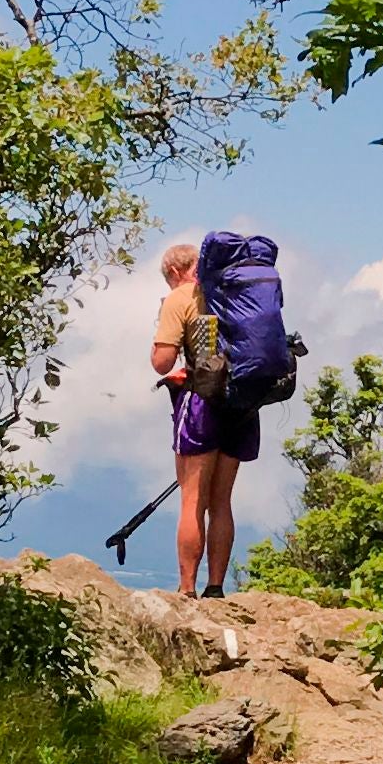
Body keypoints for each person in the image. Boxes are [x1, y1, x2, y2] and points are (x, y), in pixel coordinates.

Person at [150, 238, 259, 597]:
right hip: (242, 402)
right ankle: (216, 588)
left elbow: (162, 361)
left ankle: (186, 590)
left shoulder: (180, 298)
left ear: (175, 271)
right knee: (222, 501)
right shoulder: (237, 292)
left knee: (192, 498)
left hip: (201, 402)